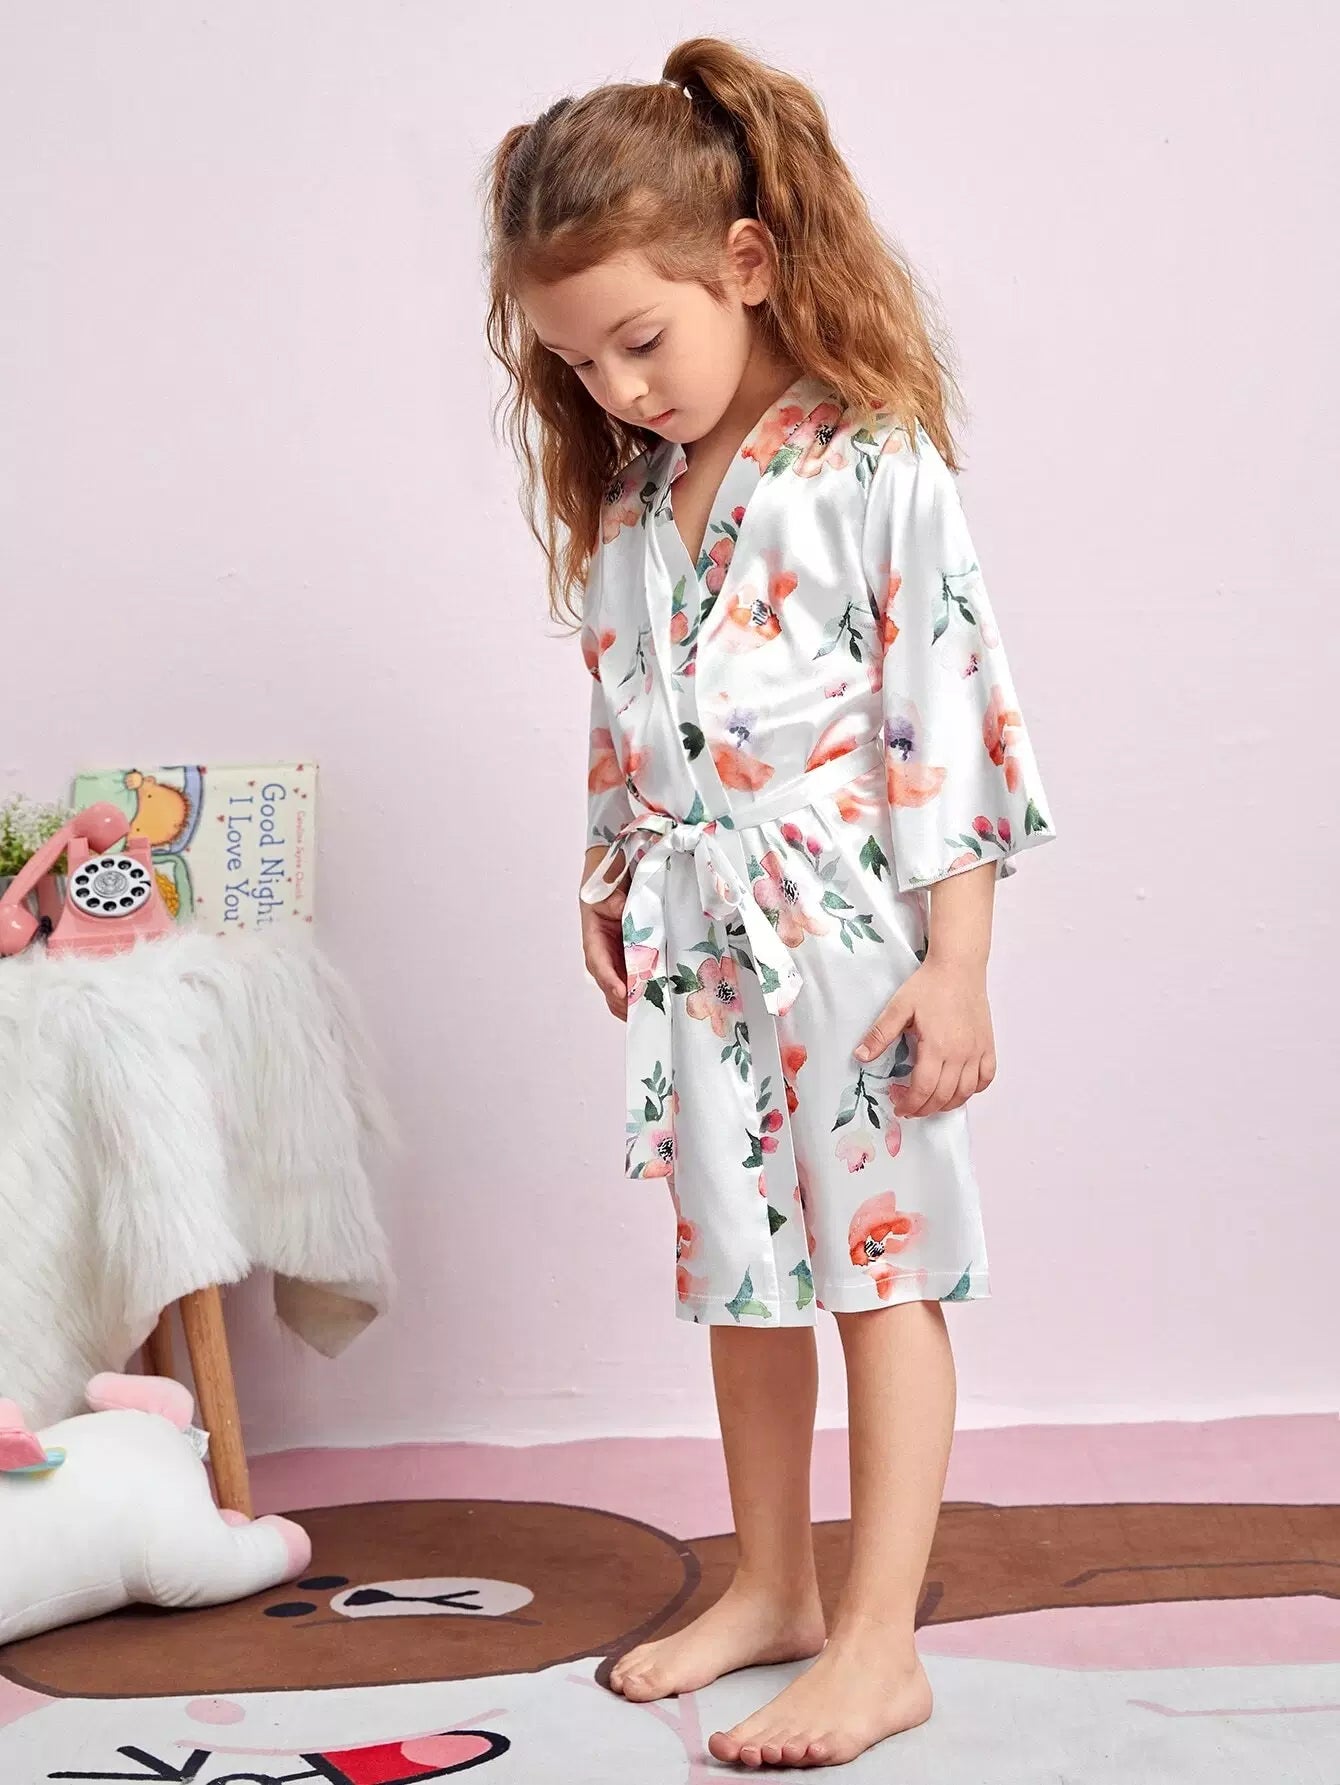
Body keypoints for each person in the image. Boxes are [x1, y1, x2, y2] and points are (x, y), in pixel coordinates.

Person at [484, 34, 1055, 1772]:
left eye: (638, 341)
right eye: (578, 362)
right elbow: (626, 702)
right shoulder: (636, 503)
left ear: (743, 262)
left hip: (849, 939)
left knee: (881, 1271)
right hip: (700, 938)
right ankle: (774, 1586)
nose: (616, 386)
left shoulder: (875, 465)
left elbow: (948, 717)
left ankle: (881, 1643)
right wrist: (606, 867)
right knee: (743, 1272)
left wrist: (960, 964)